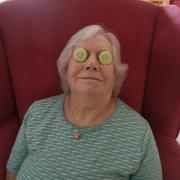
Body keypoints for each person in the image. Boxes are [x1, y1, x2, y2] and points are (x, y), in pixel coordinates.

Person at [6, 24, 162, 180]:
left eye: (104, 57)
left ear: (116, 75)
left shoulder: (139, 132)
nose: (92, 64)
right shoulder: (37, 112)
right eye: (81, 55)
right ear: (66, 70)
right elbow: (12, 171)